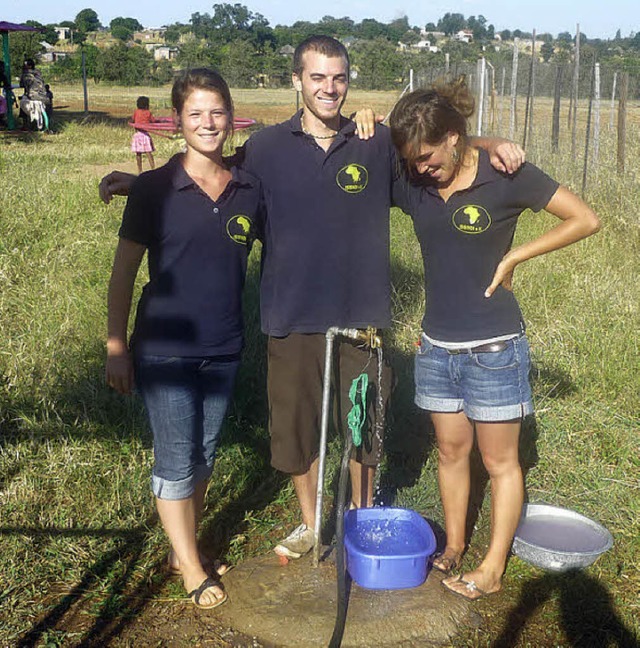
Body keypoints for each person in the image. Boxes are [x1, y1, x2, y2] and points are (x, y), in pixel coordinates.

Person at [99, 36, 524, 562]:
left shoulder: (374, 142)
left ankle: (357, 523)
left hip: (361, 318)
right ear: (296, 80)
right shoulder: (266, 149)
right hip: (290, 314)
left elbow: (432, 148)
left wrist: (487, 142)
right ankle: (311, 522)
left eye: (339, 77)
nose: (329, 88)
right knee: (297, 431)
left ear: (349, 81)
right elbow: (211, 166)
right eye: (317, 77)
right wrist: (141, 185)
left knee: (363, 430)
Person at [387, 78, 600, 600]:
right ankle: (455, 546)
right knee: (450, 452)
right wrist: (483, 137)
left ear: (454, 138)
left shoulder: (508, 176)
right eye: (412, 159)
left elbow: (585, 218)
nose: (420, 168)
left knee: (500, 462)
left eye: (428, 156)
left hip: (495, 348)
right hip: (436, 346)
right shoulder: (414, 182)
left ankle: (493, 567)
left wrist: (515, 256)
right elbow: (369, 157)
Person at [106, 68, 262, 609]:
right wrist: (116, 348)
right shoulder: (152, 190)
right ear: (176, 122)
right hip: (164, 347)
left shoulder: (248, 188)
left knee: (206, 454)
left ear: (230, 115)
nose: (208, 123)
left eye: (217, 112)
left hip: (224, 345)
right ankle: (191, 567)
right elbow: (123, 273)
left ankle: (181, 548)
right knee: (176, 459)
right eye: (195, 113)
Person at [19, 58, 48, 131]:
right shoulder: (38, 72)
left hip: (33, 96)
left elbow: (22, 84)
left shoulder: (26, 74)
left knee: (23, 104)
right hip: (44, 96)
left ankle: (25, 125)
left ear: (28, 66)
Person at [131, 96, 156, 173]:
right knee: (149, 152)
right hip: (145, 135)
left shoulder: (136, 112)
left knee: (138, 154)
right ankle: (153, 168)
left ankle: (140, 170)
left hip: (137, 135)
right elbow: (153, 121)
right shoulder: (148, 113)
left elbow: (133, 120)